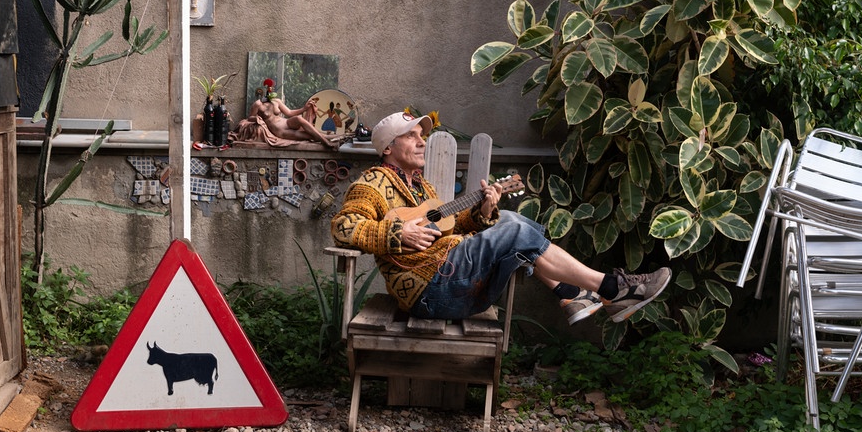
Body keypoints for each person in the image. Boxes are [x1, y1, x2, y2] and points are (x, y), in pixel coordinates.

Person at [330, 111, 672, 324]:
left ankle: (578, 294)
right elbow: (343, 228)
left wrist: (483, 211)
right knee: (512, 224)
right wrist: (396, 234)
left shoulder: (423, 188)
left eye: (423, 137)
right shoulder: (370, 184)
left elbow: (454, 225)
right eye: (411, 136)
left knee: (506, 221)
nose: (422, 143)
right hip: (431, 290)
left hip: (458, 281)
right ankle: (607, 288)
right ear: (387, 148)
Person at [247, 85, 342, 149]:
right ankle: (330, 141)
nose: (269, 92)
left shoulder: (276, 101)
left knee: (299, 118)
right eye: (267, 90)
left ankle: (339, 137)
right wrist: (256, 118)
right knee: (310, 136)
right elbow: (250, 118)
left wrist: (304, 108)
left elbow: (289, 113)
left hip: (286, 122)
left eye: (271, 90)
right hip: (280, 130)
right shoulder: (258, 104)